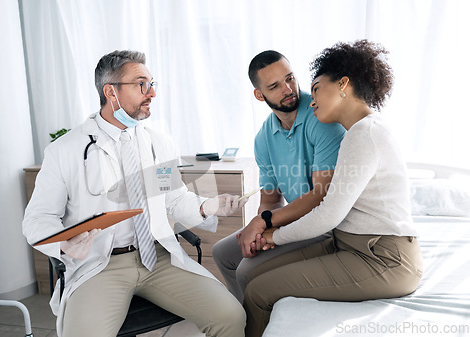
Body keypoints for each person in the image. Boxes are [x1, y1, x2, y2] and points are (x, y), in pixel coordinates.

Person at [22, 50, 247, 337]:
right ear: (111, 92)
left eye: (153, 84)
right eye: (142, 84)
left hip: (158, 257)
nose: (152, 92)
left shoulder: (158, 144)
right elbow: (37, 219)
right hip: (101, 265)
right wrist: (65, 243)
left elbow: (173, 199)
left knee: (230, 316)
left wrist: (208, 207)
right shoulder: (65, 151)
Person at [243, 40, 424, 337]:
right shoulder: (359, 132)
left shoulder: (365, 134)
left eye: (315, 89)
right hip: (349, 243)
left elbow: (327, 213)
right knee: (254, 274)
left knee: (259, 291)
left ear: (343, 84)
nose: (309, 100)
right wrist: (268, 232)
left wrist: (271, 235)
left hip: (384, 258)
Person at [212, 50, 346, 302]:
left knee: (247, 270)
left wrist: (264, 223)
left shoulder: (322, 117)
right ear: (259, 94)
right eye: (274, 86)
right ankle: (244, 322)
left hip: (326, 225)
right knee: (222, 253)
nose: (288, 89)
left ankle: (257, 325)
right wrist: (261, 233)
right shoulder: (263, 138)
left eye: (290, 78)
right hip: (294, 221)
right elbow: (271, 200)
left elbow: (321, 195)